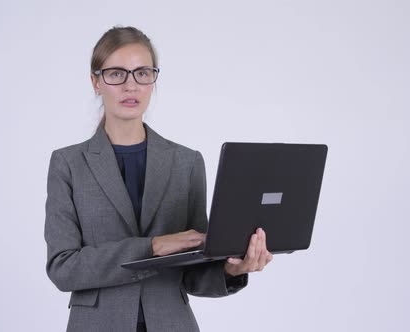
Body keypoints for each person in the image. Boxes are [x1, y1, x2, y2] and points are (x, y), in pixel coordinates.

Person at [45, 26, 273, 332]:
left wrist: (234, 269)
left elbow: (193, 270)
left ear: (154, 80)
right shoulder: (68, 164)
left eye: (142, 73)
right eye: (116, 74)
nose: (131, 86)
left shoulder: (186, 162)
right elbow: (64, 268)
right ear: (96, 81)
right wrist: (151, 247)